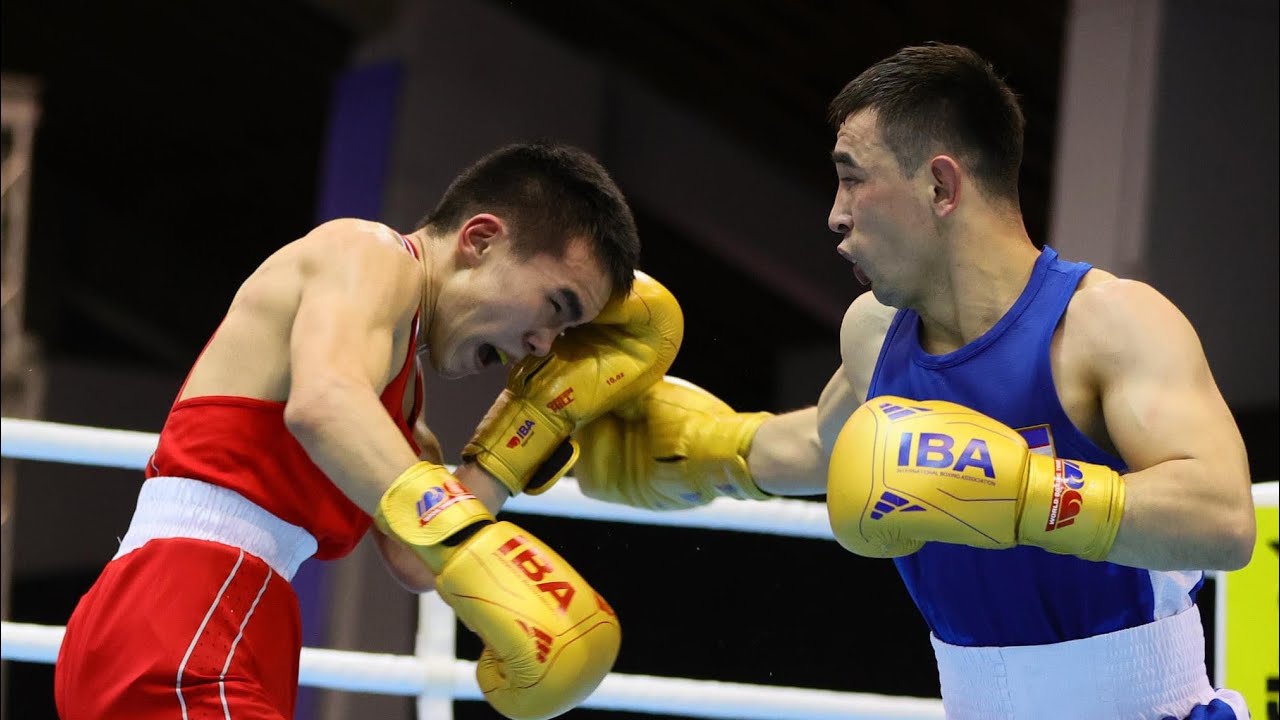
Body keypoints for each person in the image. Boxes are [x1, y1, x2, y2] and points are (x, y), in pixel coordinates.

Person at [570, 44, 1256, 719]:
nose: (836, 213)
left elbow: (1222, 521)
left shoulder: (1106, 323)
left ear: (939, 186)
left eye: (853, 177)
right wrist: (699, 449)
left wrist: (1027, 495)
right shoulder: (874, 333)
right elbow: (826, 445)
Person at [53, 141, 684, 720]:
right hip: (185, 615)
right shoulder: (368, 254)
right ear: (482, 238)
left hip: (225, 620)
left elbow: (415, 555)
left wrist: (526, 430)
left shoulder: (400, 393)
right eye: (556, 306)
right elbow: (323, 405)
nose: (543, 346)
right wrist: (468, 537)